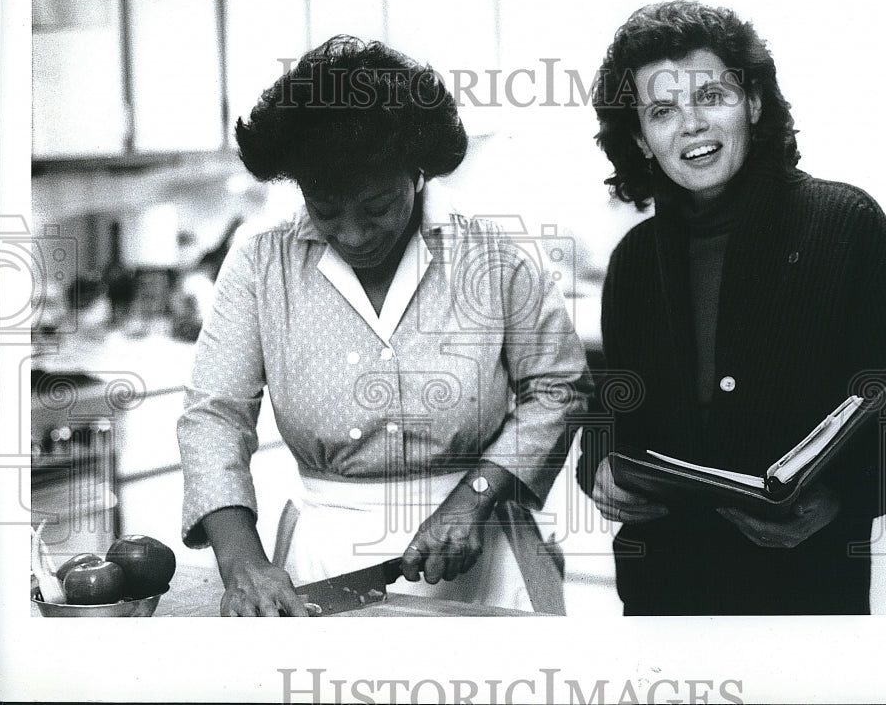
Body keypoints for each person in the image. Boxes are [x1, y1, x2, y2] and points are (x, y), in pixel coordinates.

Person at [576, 0, 886, 615]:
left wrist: (843, 498)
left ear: (754, 105)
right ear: (641, 140)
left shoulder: (846, 223)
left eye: (712, 95)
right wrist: (596, 467)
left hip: (803, 594)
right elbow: (618, 412)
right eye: (661, 111)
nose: (691, 125)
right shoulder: (632, 261)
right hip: (663, 597)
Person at [178, 35, 590, 616]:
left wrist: (474, 498)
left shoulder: (496, 257)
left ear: (418, 173)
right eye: (325, 208)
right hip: (323, 565)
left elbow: (559, 388)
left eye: (376, 207)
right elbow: (214, 415)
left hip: (487, 553)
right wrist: (240, 559)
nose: (351, 233)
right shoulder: (260, 263)